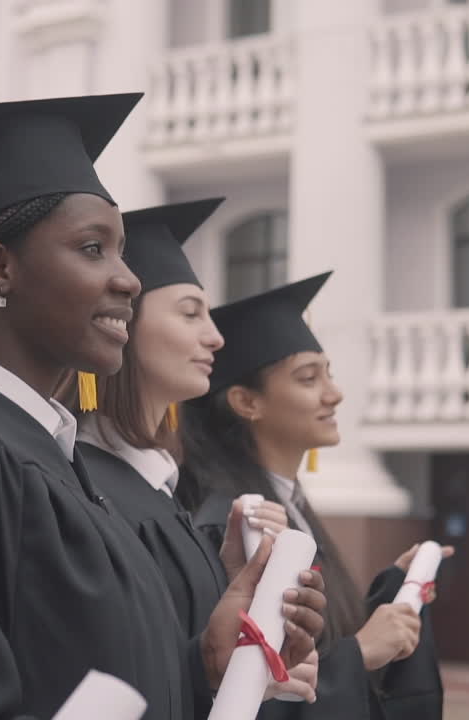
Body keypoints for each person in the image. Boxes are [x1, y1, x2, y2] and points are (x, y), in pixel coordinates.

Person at [0, 94, 326, 720]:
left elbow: (83, 680)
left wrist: (208, 663)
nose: (129, 279)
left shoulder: (58, 461)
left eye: (121, 251)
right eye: (93, 248)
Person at [70, 198, 319, 716]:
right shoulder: (83, 489)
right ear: (121, 322)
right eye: (190, 313)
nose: (215, 337)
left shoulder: (161, 491)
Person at [177, 272, 447, 720]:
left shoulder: (289, 503)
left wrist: (393, 591)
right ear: (247, 402)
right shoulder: (236, 524)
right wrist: (360, 652)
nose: (334, 394)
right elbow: (250, 679)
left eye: (329, 375)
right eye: (308, 379)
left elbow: (312, 641)